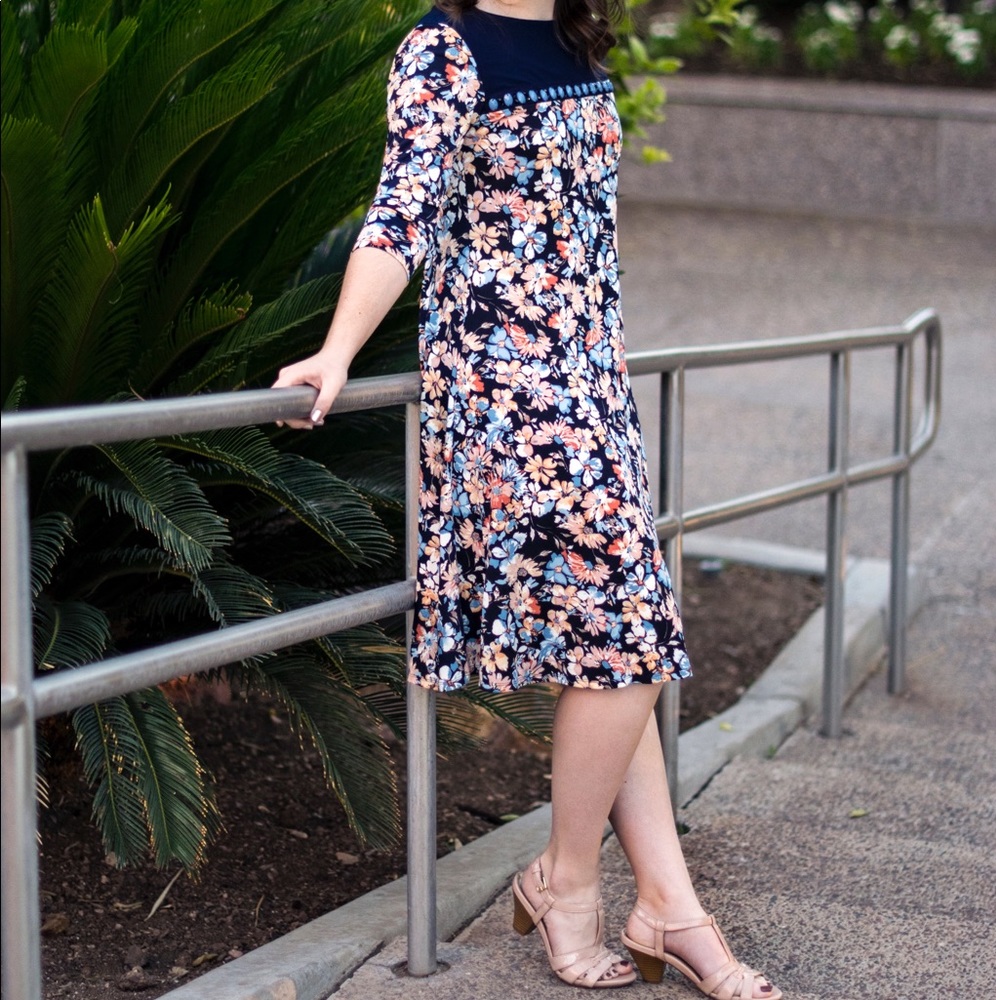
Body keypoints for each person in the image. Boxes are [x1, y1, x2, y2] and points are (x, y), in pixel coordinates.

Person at [272, 1, 781, 996]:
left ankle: (664, 901)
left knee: (615, 641)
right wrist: (336, 351)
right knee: (628, 625)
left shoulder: (572, 36)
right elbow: (400, 215)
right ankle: (570, 883)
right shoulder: (445, 47)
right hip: (508, 394)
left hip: (589, 384)